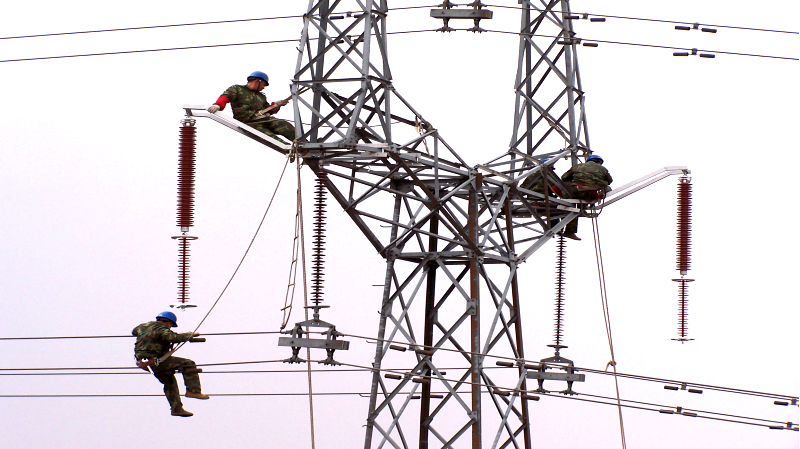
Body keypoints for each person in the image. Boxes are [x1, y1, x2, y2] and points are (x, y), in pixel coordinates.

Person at [132, 311, 209, 417]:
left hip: (144, 364)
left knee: (169, 382)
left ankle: (176, 409)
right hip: (157, 362)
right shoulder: (161, 329)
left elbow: (134, 331)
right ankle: (193, 391)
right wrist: (189, 335)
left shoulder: (143, 326)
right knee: (188, 364)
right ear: (168, 323)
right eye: (171, 325)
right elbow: (172, 337)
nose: (170, 327)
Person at [207, 71, 297, 142]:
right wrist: (218, 105)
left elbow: (267, 110)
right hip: (249, 123)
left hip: (263, 119)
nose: (264, 87)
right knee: (272, 139)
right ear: (258, 81)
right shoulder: (237, 89)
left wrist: (276, 105)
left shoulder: (261, 96)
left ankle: (303, 144)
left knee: (284, 125)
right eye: (264, 84)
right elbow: (226, 97)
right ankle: (292, 150)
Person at [559, 154, 613, 241]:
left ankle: (568, 229)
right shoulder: (603, 169)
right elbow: (610, 181)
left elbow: (564, 177)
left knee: (571, 204)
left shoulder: (577, 166)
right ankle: (581, 210)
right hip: (591, 194)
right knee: (606, 188)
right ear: (599, 162)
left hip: (575, 192)